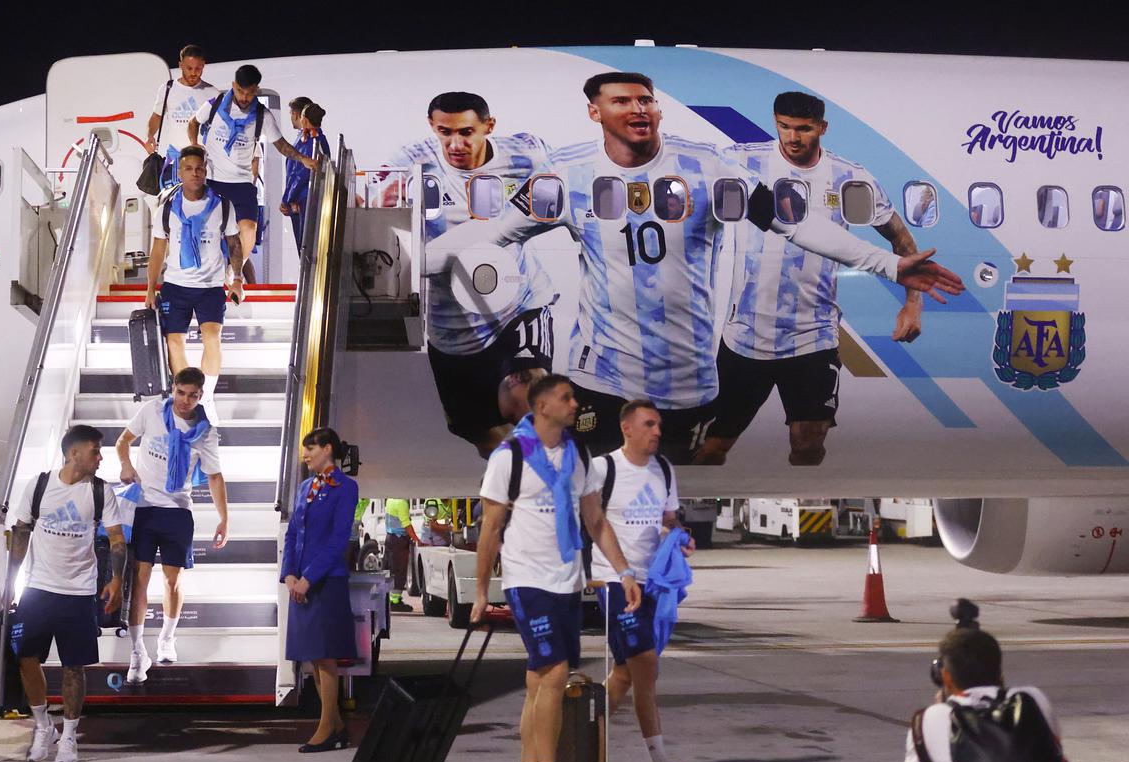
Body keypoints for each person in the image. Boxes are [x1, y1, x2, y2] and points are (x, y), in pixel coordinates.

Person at [425, 73, 964, 463]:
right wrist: (419, 261)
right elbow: (490, 232)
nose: (639, 109)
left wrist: (890, 265)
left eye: (646, 101)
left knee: (667, 493)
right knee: (588, 489)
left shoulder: (706, 166)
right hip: (601, 376)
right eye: (622, 102)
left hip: (684, 381)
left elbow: (795, 223)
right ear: (595, 113)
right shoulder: (566, 173)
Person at [700, 91, 927, 467]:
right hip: (745, 336)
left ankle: (807, 515)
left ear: (822, 128)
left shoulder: (850, 178)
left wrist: (912, 304)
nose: (792, 137)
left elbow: (900, 239)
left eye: (803, 129)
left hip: (813, 335)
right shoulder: (743, 162)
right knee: (714, 447)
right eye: (784, 127)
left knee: (808, 444)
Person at [471, 374, 640, 762]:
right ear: (541, 406)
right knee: (556, 676)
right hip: (528, 580)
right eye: (566, 398)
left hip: (567, 579)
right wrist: (482, 589)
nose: (575, 404)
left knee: (537, 684)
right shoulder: (509, 457)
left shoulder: (577, 454)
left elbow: (595, 519)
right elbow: (489, 528)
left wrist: (622, 570)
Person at [387, 92, 558, 458]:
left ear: (489, 126)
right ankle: (516, 487)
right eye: (444, 132)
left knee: (525, 401)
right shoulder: (412, 163)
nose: (455, 144)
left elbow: (561, 194)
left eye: (466, 132)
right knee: (482, 435)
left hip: (516, 307)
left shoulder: (525, 154)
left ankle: (553, 491)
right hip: (452, 329)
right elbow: (377, 217)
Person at [898, 626, 1129, 762]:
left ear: (946, 677)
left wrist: (941, 712)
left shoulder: (932, 718)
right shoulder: (1033, 699)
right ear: (1000, 674)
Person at [587, 400, 696, 762]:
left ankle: (584, 737)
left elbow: (668, 519)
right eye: (649, 424)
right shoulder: (604, 468)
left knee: (625, 674)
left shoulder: (664, 469)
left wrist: (680, 537)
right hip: (615, 582)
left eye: (659, 425)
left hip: (653, 583)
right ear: (626, 428)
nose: (657, 432)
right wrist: (617, 571)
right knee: (646, 667)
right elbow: (592, 521)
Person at [9, 425, 124, 762]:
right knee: (26, 658)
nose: (100, 458)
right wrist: (8, 582)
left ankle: (70, 737)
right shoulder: (40, 485)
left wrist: (116, 580)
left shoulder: (102, 491)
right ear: (73, 453)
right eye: (95, 451)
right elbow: (20, 533)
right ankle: (44, 727)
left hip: (79, 591)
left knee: (75, 667)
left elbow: (117, 540)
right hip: (39, 588)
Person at [115, 367, 228, 681]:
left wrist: (224, 519)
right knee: (139, 578)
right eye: (181, 393)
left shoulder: (206, 431)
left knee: (172, 581)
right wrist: (125, 464)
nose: (185, 400)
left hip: (178, 510)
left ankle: (167, 637)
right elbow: (123, 441)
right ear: (173, 389)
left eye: (193, 395)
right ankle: (137, 651)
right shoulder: (151, 410)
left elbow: (215, 477)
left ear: (201, 395)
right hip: (143, 507)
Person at [188, 64, 318, 287]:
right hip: (212, 179)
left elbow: (281, 145)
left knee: (249, 229)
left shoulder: (261, 115)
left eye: (250, 93)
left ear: (256, 90)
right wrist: (195, 145)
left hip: (241, 181)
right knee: (204, 229)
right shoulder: (216, 104)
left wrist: (302, 158)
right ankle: (202, 274)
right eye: (240, 91)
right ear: (233, 86)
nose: (244, 97)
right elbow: (193, 123)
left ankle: (234, 270)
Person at [144, 145, 242, 421]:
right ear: (180, 172)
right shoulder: (166, 207)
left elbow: (233, 243)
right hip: (176, 284)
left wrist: (237, 280)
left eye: (199, 168)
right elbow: (158, 250)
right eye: (188, 168)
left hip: (210, 285)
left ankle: (205, 396)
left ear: (206, 170)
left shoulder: (222, 205)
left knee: (212, 337)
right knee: (174, 340)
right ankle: (185, 395)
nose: (195, 173)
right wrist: (150, 288)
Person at [281, 427, 359, 753]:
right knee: (313, 655)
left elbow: (338, 541)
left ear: (327, 448)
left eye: (310, 449)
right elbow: (292, 534)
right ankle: (338, 726)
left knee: (325, 656)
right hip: (301, 583)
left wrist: (308, 578)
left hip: (325, 582)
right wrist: (288, 575)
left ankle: (327, 728)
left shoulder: (346, 488)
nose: (306, 455)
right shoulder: (304, 487)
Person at [143, 45, 219, 192]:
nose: (193, 73)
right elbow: (157, 116)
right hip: (175, 159)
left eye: (198, 69)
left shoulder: (212, 93)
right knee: (173, 205)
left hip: (202, 161)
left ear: (203, 66)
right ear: (180, 65)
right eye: (189, 68)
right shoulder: (168, 89)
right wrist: (150, 135)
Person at [281, 97, 331, 252]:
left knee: (305, 246)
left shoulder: (310, 142)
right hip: (307, 198)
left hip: (303, 200)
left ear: (303, 118)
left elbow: (300, 174)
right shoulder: (316, 139)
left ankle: (305, 276)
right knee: (309, 244)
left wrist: (289, 199)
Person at [382, 498, 420, 612]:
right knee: (399, 571)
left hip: (390, 537)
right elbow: (406, 524)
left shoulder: (390, 500)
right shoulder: (402, 503)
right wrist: (417, 539)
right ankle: (395, 601)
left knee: (391, 569)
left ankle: (390, 599)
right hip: (399, 539)